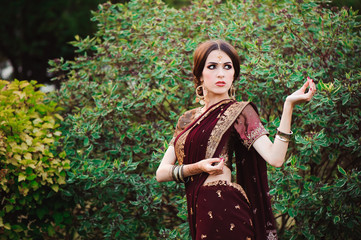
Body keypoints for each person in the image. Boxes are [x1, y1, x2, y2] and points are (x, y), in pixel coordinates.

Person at [156, 40, 316, 240]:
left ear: (234, 74)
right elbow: (161, 173)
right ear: (199, 75)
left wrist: (288, 105)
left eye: (227, 67)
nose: (221, 73)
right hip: (200, 213)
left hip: (228, 211)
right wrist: (198, 167)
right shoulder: (187, 120)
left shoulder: (240, 112)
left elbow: (276, 158)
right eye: (212, 67)